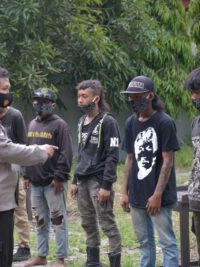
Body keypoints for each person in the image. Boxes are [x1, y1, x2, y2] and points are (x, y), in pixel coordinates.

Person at [0, 66, 57, 267]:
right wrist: (42, 152)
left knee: (1, 259)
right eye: (5, 88)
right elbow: (6, 150)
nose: (8, 94)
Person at [120, 76, 180, 267]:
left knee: (167, 243)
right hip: (137, 194)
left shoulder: (164, 122)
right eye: (131, 97)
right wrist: (124, 191)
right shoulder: (131, 122)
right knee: (144, 243)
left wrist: (157, 195)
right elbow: (129, 158)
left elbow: (168, 160)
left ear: (150, 95)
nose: (134, 101)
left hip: (158, 197)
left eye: (138, 96)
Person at [70, 80, 121, 267]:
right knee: (87, 223)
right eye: (79, 96)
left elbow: (112, 155)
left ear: (96, 98)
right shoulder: (81, 121)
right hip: (82, 180)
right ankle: (93, 262)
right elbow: (81, 153)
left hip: (98, 181)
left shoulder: (108, 122)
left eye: (85, 96)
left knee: (107, 223)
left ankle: (115, 262)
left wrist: (106, 185)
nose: (80, 100)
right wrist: (75, 180)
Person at [24, 87, 73, 267]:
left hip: (53, 183)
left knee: (58, 221)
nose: (40, 105)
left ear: (52, 105)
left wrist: (60, 177)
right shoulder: (32, 124)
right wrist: (26, 176)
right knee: (40, 221)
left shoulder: (59, 125)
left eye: (45, 102)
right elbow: (28, 152)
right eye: (37, 101)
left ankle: (60, 258)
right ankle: (41, 256)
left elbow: (67, 154)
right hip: (35, 183)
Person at [0, 105, 32, 261]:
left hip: (16, 169)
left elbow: (23, 145)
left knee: (19, 207)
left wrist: (25, 173)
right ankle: (3, 243)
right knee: (0, 209)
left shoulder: (15, 115)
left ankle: (24, 246)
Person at [183, 66, 200, 263]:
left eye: (197, 92)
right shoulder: (196, 122)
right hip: (197, 199)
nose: (193, 98)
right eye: (192, 93)